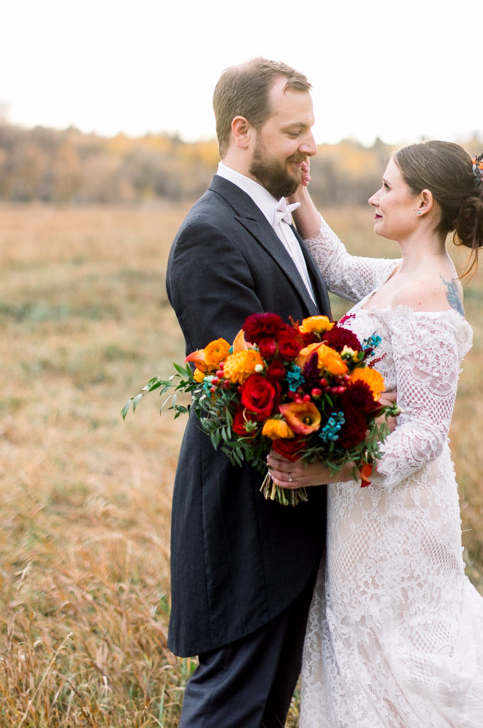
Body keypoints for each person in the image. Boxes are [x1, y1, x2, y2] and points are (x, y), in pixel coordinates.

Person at [267, 140, 483, 728]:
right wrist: (297, 189)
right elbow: (333, 264)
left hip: (397, 513)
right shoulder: (400, 274)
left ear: (423, 201)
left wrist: (332, 469)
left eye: (386, 187)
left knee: (404, 659)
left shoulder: (428, 293)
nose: (374, 198)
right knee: (363, 651)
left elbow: (427, 431)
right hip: (364, 506)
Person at [166, 58, 332, 728]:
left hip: (289, 514)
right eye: (294, 130)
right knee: (230, 707)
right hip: (245, 518)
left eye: (311, 128)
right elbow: (246, 392)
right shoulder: (209, 233)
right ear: (243, 130)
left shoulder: (279, 213)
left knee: (262, 709)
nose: (310, 144)